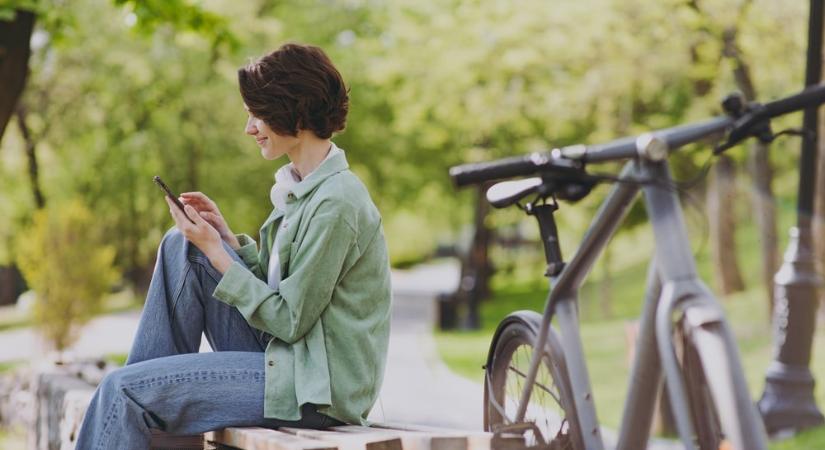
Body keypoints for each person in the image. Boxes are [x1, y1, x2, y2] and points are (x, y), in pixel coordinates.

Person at [74, 43, 392, 449]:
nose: (249, 128)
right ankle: (150, 406)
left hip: (315, 388)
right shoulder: (302, 189)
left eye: (257, 113)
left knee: (123, 390)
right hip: (286, 360)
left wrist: (218, 255)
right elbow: (280, 292)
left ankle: (145, 402)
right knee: (182, 247)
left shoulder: (336, 203)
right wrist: (225, 241)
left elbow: (290, 320)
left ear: (293, 109)